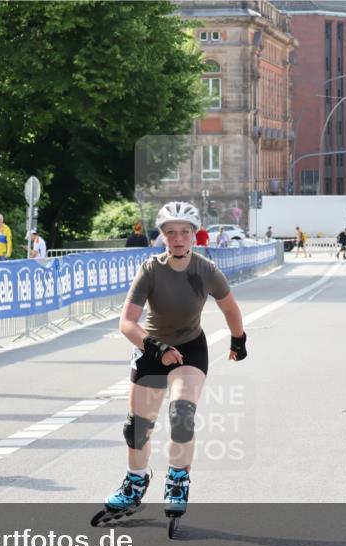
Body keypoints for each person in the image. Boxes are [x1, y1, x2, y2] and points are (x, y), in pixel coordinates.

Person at [93, 201, 246, 526]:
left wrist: (238, 340)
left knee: (181, 415)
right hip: (151, 349)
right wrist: (156, 346)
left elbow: (230, 308)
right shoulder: (151, 270)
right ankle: (135, 482)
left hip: (189, 348)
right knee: (137, 429)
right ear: (161, 236)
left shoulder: (205, 270)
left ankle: (178, 478)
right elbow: (127, 323)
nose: (178, 238)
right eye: (170, 232)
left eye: (184, 232)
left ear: (194, 235)